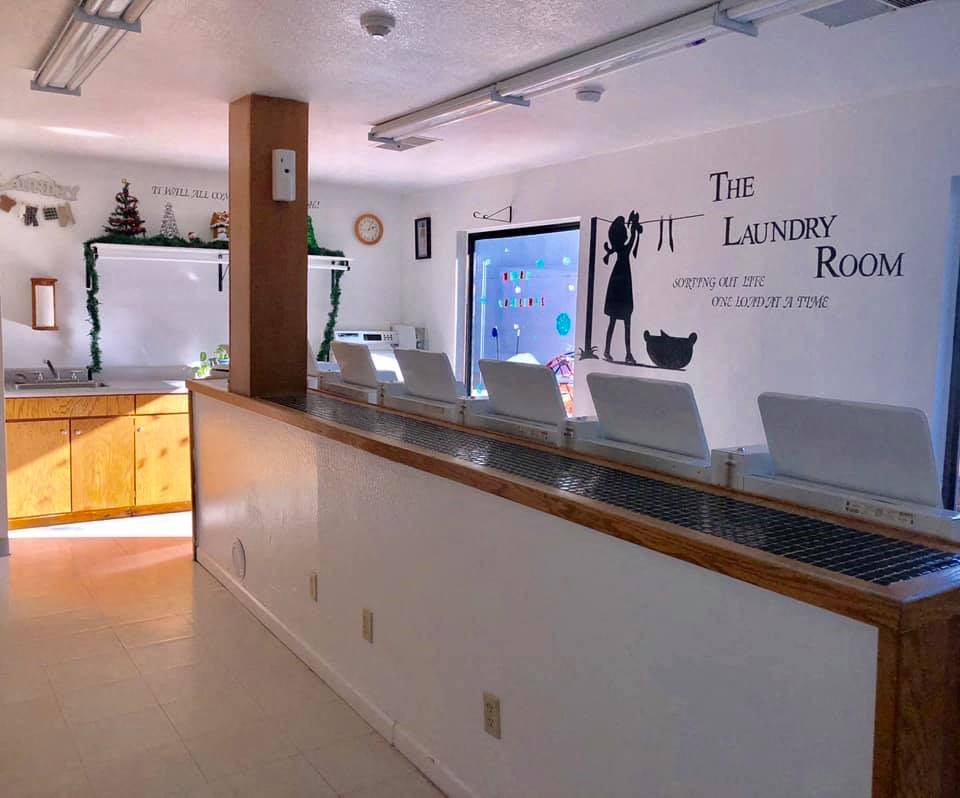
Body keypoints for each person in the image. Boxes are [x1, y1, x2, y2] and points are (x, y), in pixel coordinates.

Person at [602, 210, 641, 364]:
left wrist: (633, 227)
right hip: (622, 284)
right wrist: (634, 228)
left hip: (618, 281)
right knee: (626, 322)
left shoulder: (618, 250)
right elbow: (631, 240)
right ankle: (627, 353)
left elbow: (630, 239)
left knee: (614, 321)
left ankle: (612, 351)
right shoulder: (623, 250)